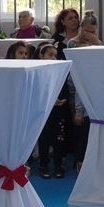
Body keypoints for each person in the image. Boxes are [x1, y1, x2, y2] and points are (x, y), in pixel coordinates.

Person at [36, 41, 68, 178]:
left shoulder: (60, 71)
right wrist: (49, 101)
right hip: (43, 112)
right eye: (50, 55)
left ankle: (58, 164)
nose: (53, 58)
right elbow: (36, 92)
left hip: (58, 112)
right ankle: (44, 165)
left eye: (55, 55)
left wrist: (64, 99)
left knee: (59, 139)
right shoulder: (37, 73)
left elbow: (65, 89)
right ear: (41, 56)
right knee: (43, 139)